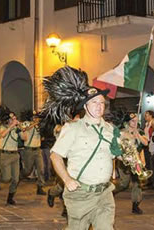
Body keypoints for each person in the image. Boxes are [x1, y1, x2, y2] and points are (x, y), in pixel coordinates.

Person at [46, 66, 122, 229]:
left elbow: (114, 153)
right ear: (85, 106)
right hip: (81, 194)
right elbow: (55, 156)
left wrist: (129, 158)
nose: (99, 106)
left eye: (102, 103)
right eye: (94, 102)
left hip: (104, 193)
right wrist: (67, 180)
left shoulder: (110, 129)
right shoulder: (73, 128)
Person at [114, 113, 148, 214]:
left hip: (136, 161)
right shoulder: (122, 132)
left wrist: (137, 135)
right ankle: (112, 191)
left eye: (137, 121)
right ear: (128, 122)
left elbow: (146, 143)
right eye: (133, 121)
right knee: (124, 184)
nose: (135, 123)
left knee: (137, 183)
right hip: (124, 161)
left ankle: (136, 205)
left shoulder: (140, 131)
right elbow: (117, 146)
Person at [0, 107, 21, 205]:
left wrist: (20, 128)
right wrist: (11, 126)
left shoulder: (16, 129)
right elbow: (2, 135)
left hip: (15, 155)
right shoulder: (3, 127)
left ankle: (10, 197)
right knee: (6, 178)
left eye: (14, 118)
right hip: (5, 155)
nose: (13, 120)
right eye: (12, 119)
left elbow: (25, 137)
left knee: (16, 179)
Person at [20, 111, 46, 195]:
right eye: (35, 117)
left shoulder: (39, 126)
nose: (36, 118)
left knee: (41, 169)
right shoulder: (26, 123)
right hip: (29, 150)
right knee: (28, 170)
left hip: (37, 149)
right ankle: (19, 176)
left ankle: (40, 187)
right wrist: (34, 124)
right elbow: (24, 129)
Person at [142, 110, 154, 187]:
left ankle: (152, 181)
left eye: (147, 115)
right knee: (147, 163)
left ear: (151, 116)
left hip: (150, 144)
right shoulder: (146, 124)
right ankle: (149, 180)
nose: (145, 117)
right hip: (146, 144)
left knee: (150, 163)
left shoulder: (152, 124)